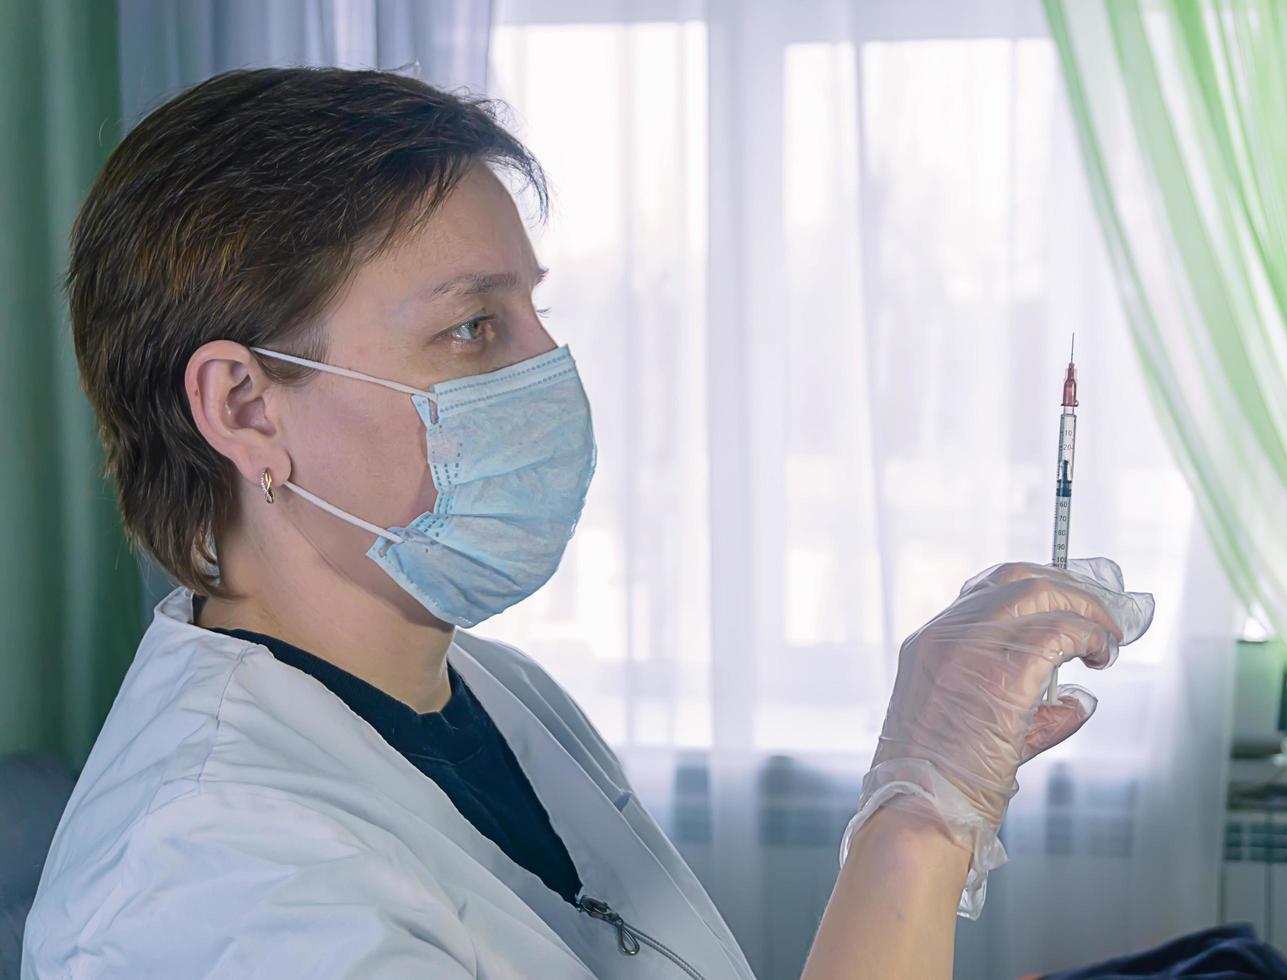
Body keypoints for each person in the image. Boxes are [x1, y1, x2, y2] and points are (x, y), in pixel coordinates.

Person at [22, 67, 1154, 979]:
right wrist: (918, 822)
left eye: (534, 307)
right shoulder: (211, 880)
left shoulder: (493, 692)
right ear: (244, 407)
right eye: (472, 327)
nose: (549, 366)